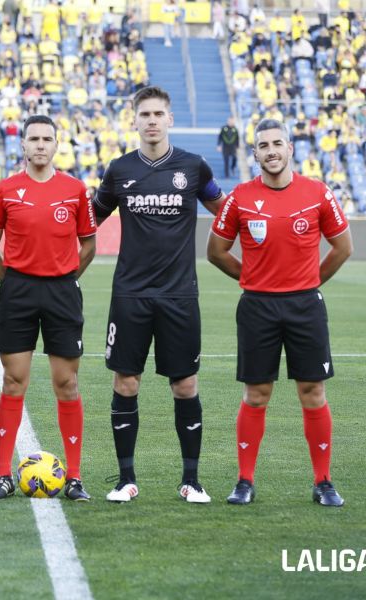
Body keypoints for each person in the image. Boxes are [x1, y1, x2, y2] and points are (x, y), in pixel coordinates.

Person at [207, 118, 352, 507]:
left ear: (290, 148)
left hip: (305, 305)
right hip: (257, 306)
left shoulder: (318, 193)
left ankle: (323, 482)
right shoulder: (239, 197)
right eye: (263, 146)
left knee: (313, 391)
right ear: (254, 154)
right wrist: (250, 277)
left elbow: (342, 247)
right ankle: (244, 481)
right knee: (256, 394)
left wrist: (311, 282)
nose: (271, 151)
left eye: (277, 143)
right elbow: (216, 252)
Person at [91, 85, 224, 504]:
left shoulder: (194, 167)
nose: (151, 121)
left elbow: (229, 212)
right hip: (130, 294)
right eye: (144, 114)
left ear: (170, 120)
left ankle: (191, 481)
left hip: (180, 295)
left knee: (184, 384)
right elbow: (87, 220)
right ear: (134, 120)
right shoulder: (118, 170)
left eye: (158, 114)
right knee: (126, 382)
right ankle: (125, 480)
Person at [0, 114, 97, 501]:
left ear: (56, 144)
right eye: (34, 138)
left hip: (62, 292)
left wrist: (65, 278)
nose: (41, 145)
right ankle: (1, 475)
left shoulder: (76, 190)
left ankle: (76, 476)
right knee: (14, 381)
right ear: (24, 145)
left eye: (48, 138)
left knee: (66, 382)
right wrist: (12, 283)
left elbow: (88, 245)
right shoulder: (5, 190)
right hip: (18, 292)